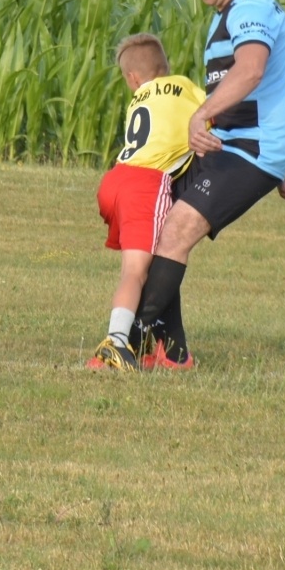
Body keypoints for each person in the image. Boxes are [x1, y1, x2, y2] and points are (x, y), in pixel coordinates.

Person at [127, 0, 285, 368]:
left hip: (250, 151)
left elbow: (251, 73)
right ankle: (173, 352)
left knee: (176, 232)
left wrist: (199, 115)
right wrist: (282, 167)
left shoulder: (250, 10)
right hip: (240, 147)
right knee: (161, 226)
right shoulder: (224, 15)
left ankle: (129, 345)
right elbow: (258, 94)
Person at [89, 33, 205, 371]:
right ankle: (116, 343)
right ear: (166, 67)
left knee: (144, 265)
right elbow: (214, 113)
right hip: (147, 185)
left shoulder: (138, 99)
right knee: (136, 273)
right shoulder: (182, 87)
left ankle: (161, 347)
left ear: (132, 79)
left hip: (116, 180)